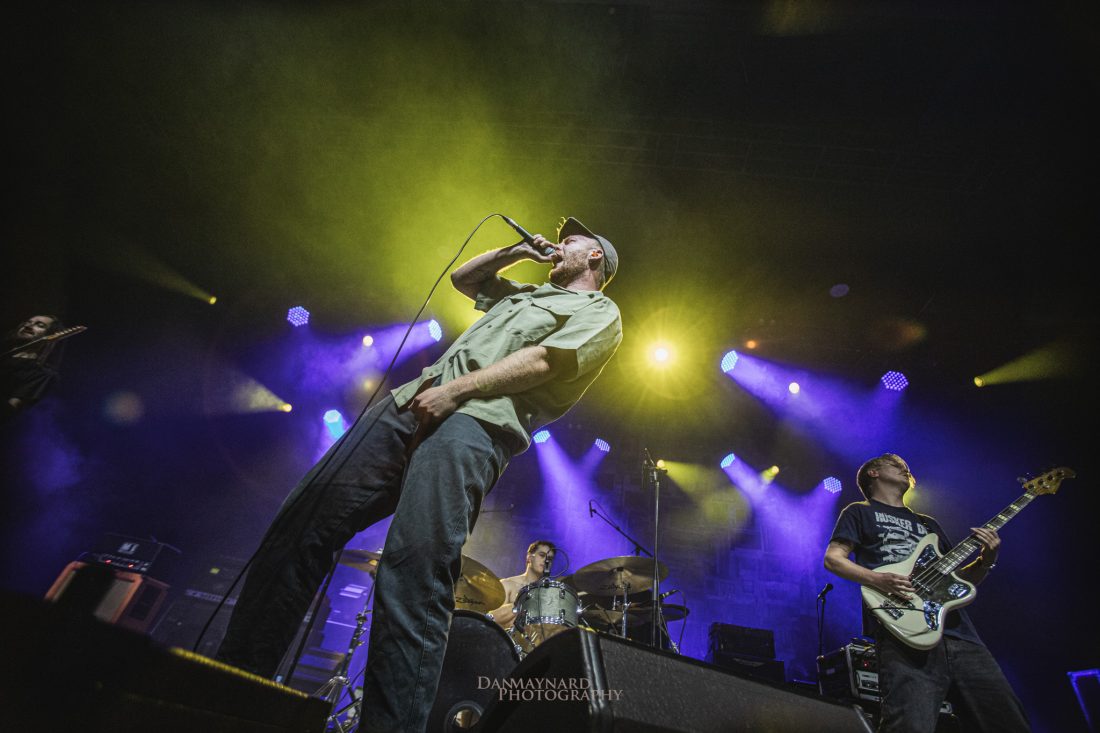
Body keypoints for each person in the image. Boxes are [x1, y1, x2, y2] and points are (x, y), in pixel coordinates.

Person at [215, 216, 622, 733]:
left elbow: (545, 360)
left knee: (414, 568)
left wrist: (458, 390)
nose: (560, 244)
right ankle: (231, 693)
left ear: (594, 257)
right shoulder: (525, 293)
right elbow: (465, 279)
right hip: (411, 402)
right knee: (303, 520)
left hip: (474, 421)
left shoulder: (600, 311)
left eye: (571, 241)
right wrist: (515, 252)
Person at [823, 453, 1030, 733]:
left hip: (960, 635)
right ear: (873, 473)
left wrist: (986, 560)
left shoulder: (929, 524)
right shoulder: (859, 511)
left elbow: (957, 582)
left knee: (1007, 722)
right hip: (902, 631)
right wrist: (879, 580)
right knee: (909, 725)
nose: (905, 468)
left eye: (905, 467)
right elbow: (833, 559)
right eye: (896, 465)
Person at [1, 315, 65, 421]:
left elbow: (9, 412)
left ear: (51, 336)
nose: (28, 326)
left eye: (40, 325)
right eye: (27, 322)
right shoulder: (3, 355)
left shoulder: (42, 374)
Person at [486, 539, 557, 633]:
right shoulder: (508, 584)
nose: (546, 560)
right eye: (542, 555)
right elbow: (491, 618)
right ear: (529, 557)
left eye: (550, 559)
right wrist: (523, 601)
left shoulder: (550, 594)